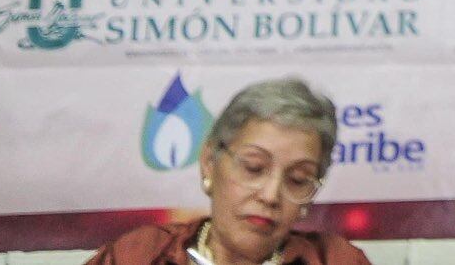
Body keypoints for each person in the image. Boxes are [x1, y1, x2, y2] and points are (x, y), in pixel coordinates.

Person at [89, 78, 366, 265]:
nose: (270, 196)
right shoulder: (140, 255)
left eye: (297, 180)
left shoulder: (336, 260)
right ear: (210, 162)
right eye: (254, 168)